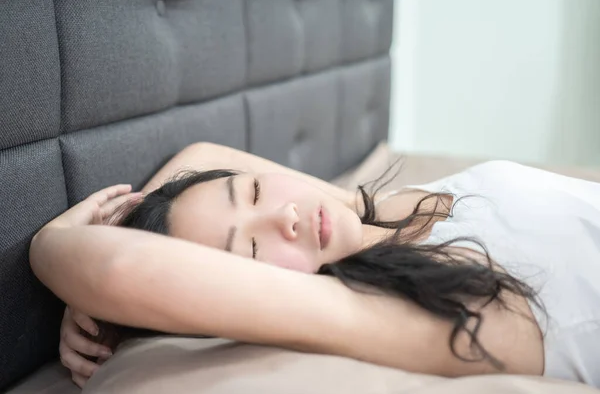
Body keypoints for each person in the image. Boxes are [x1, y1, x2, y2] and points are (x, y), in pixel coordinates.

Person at [29, 142, 600, 389]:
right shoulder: (427, 312)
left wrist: (132, 216)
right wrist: (52, 242)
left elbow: (202, 157)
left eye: (253, 194)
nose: (287, 218)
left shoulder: (373, 216)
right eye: (251, 251)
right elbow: (120, 273)